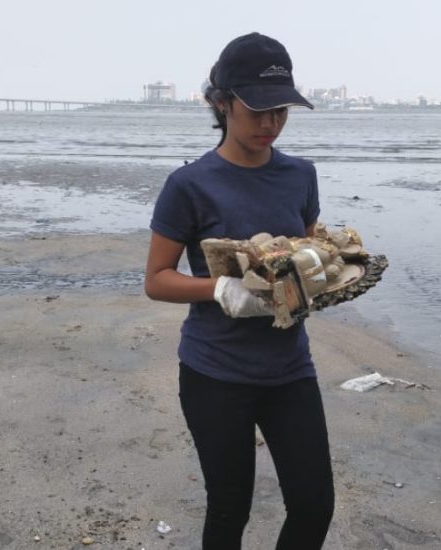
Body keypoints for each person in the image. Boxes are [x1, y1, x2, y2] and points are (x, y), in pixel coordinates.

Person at [145, 33, 334, 549]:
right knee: (230, 509)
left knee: (315, 507)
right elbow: (157, 279)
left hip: (290, 368)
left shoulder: (301, 176)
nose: (270, 123)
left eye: (281, 110)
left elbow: (309, 255)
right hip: (215, 373)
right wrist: (222, 289)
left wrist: (332, 272)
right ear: (221, 102)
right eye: (257, 111)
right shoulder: (189, 185)